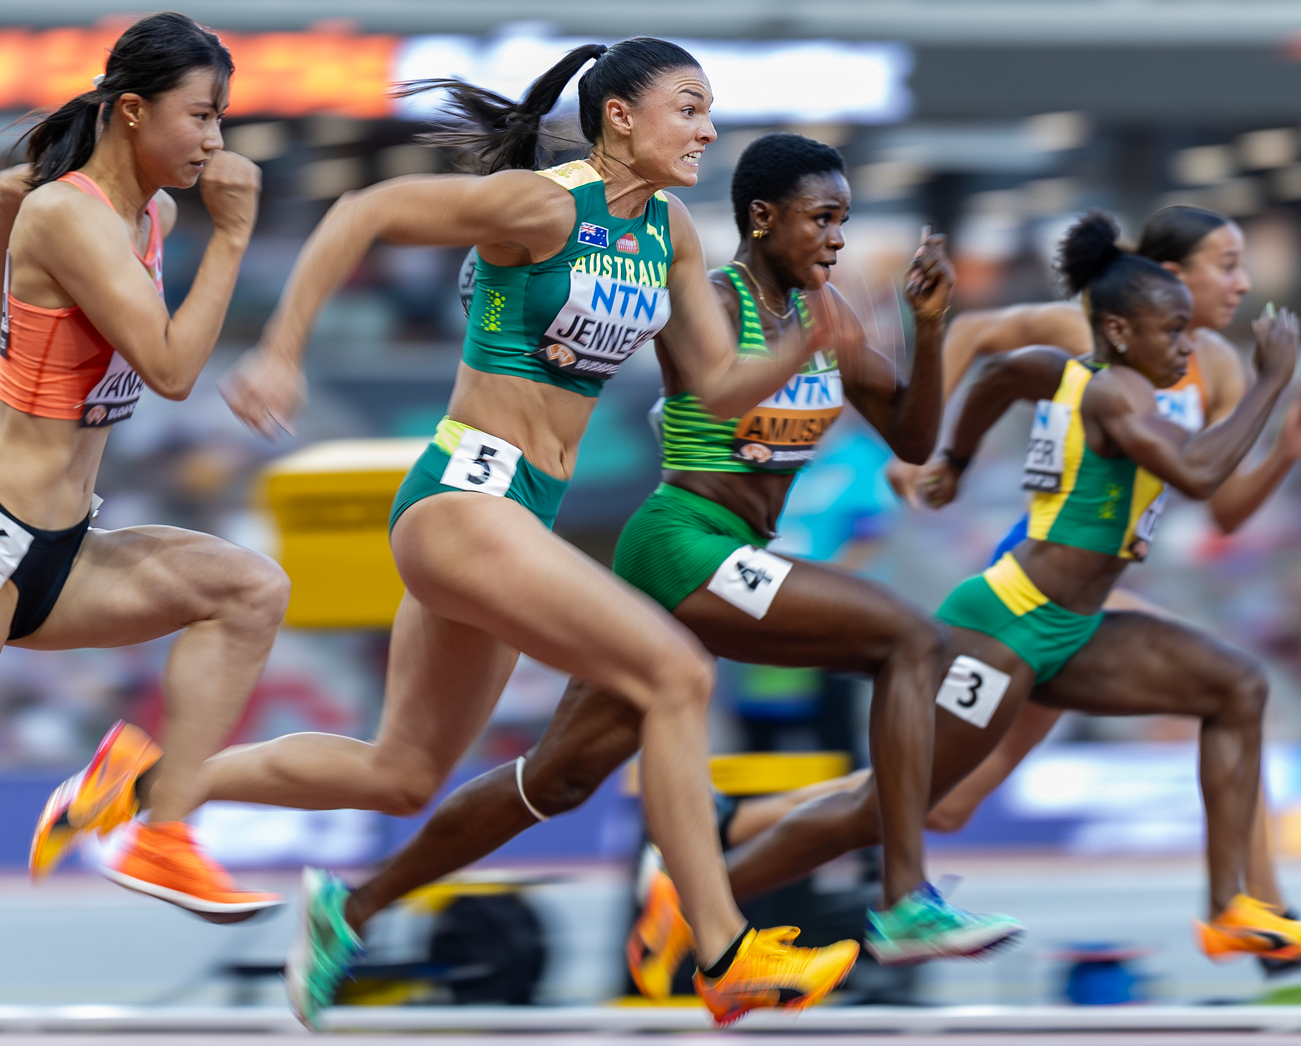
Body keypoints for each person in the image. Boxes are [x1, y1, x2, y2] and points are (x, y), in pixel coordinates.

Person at [270, 132, 1023, 1003]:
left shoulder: (833, 323)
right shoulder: (706, 297)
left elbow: (914, 436)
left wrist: (931, 332)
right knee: (908, 641)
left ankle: (350, 911)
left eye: (844, 222)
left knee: (557, 779)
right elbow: (711, 383)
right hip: (683, 543)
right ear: (761, 218)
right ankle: (901, 901)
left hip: (740, 555)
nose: (836, 240)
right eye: (821, 219)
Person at [208, 42, 857, 1027]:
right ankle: (723, 948)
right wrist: (281, 351)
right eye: (689, 108)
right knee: (675, 674)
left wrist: (810, 341)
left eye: (710, 111)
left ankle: (165, 777)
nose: (708, 130)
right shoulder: (547, 206)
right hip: (465, 497)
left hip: (522, 514)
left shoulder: (671, 233)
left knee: (402, 771)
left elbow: (721, 388)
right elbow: (365, 211)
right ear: (621, 118)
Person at [699, 212, 1301, 967]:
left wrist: (959, 462)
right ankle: (698, 896)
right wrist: (1274, 382)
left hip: (1071, 622)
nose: (1234, 290)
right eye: (1224, 267)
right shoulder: (1114, 385)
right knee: (899, 809)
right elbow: (1187, 465)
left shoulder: (1177, 368)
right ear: (1135, 311)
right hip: (1008, 621)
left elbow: (1009, 380)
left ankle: (1236, 908)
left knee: (1237, 687)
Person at [0, 13, 285, 920]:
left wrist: (3, 320)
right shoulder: (71, 214)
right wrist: (231, 239)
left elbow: (0, 193)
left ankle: (160, 832)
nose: (215, 142)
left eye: (223, 119)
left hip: (64, 553)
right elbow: (175, 371)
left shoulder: (149, 213)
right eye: (202, 117)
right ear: (134, 112)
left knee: (249, 590)